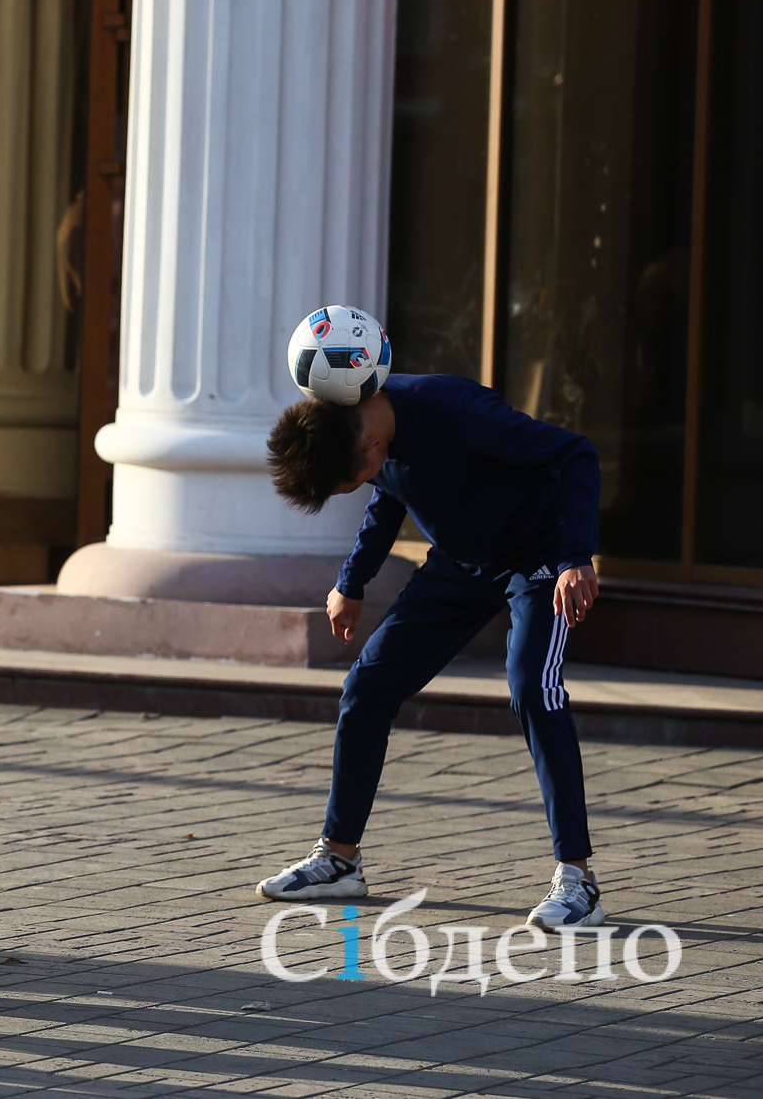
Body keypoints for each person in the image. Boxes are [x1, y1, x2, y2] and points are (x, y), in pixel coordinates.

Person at [256, 373, 606, 928]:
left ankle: (578, 880)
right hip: (460, 563)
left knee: (532, 688)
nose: (362, 485)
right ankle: (340, 860)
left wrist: (574, 556)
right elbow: (387, 494)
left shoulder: (458, 412)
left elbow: (576, 455)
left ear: (369, 446)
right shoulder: (359, 426)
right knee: (366, 687)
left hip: (537, 556)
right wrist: (353, 582)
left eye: (355, 480)